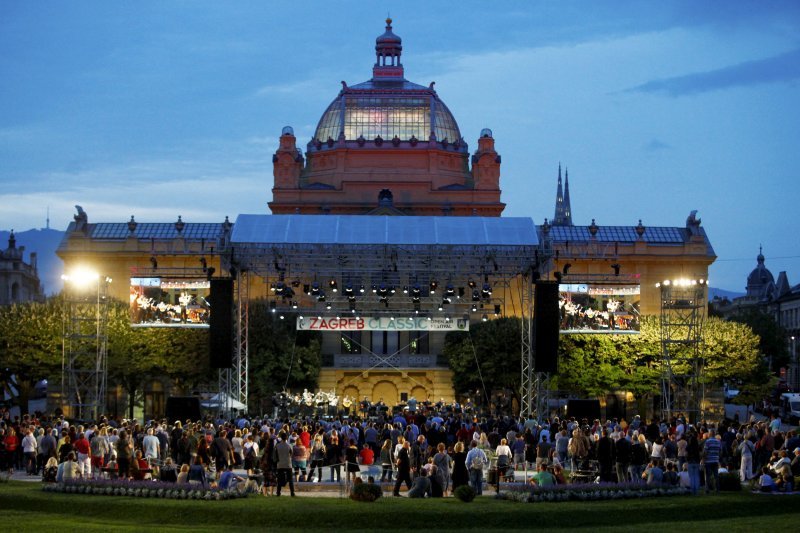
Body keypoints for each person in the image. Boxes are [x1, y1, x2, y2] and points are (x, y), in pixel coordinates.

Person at [274, 431, 295, 497]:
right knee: (290, 479)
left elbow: (275, 455)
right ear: (287, 438)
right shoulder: (289, 445)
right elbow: (291, 454)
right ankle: (292, 493)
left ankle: (278, 492)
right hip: (288, 464)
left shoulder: (277, 445)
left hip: (280, 464)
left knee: (279, 479)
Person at [703, 428, 722, 494]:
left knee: (707, 476)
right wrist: (717, 457)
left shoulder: (707, 441)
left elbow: (705, 451)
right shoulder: (718, 441)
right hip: (715, 460)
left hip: (708, 461)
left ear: (710, 434)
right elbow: (720, 451)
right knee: (716, 476)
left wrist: (703, 459)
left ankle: (707, 489)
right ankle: (717, 489)